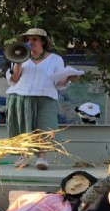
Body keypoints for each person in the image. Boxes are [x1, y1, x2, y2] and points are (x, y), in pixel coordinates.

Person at [5, 28, 78, 170]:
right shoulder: (19, 56)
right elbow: (13, 80)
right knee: (23, 127)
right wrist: (19, 62)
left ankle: (42, 158)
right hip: (21, 95)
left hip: (46, 96)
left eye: (34, 39)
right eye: (28, 39)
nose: (30, 42)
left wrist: (68, 78)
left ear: (43, 41)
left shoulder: (56, 59)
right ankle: (24, 156)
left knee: (45, 126)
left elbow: (58, 83)